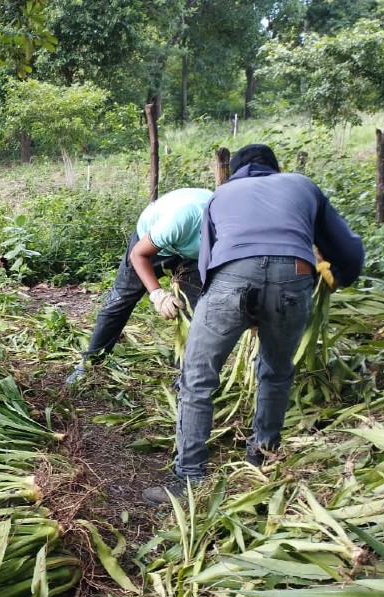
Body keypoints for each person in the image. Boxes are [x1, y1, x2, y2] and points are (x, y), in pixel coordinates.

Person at [142, 144, 365, 504]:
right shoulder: (303, 186)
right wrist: (339, 276)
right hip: (294, 275)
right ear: (276, 169)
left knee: (198, 376)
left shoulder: (221, 193)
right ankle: (264, 456)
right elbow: (350, 251)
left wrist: (233, 308)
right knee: (276, 370)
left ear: (238, 172)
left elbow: (207, 263)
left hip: (231, 277)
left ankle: (189, 480)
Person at [66, 187, 213, 384]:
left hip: (190, 256)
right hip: (149, 246)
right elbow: (138, 254)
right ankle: (90, 362)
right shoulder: (181, 219)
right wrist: (157, 293)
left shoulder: (233, 234)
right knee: (121, 299)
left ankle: (190, 375)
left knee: (195, 309)